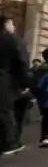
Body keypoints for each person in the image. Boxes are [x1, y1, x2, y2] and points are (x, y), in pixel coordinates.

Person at [0, 15, 30, 155]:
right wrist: (25, 83)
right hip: (6, 81)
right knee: (6, 111)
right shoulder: (11, 39)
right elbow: (22, 61)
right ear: (7, 24)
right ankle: (9, 143)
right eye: (12, 23)